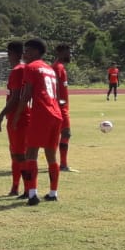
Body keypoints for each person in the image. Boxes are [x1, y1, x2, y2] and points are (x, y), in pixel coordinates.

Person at [10, 39, 63, 205]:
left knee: (31, 153)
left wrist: (17, 116)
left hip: (42, 114)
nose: (24, 54)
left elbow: (26, 95)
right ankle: (53, 192)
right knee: (51, 155)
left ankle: (32, 194)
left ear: (35, 52)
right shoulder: (49, 69)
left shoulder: (31, 68)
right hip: (56, 114)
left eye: (27, 51)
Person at [0, 41, 27, 196]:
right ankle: (15, 188)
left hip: (19, 118)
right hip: (21, 117)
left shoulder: (18, 70)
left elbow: (15, 98)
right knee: (16, 153)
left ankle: (28, 190)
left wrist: (1, 115)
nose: (8, 56)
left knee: (20, 155)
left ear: (15, 54)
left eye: (9, 53)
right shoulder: (24, 69)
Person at [53, 44, 76, 173]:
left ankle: (61, 164)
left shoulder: (60, 67)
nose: (70, 55)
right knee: (65, 133)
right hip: (60, 108)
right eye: (68, 52)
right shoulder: (57, 68)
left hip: (62, 107)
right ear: (60, 53)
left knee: (61, 135)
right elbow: (53, 88)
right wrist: (60, 104)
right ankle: (63, 164)